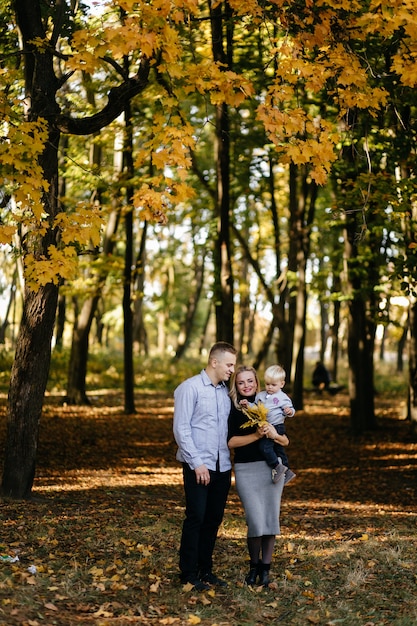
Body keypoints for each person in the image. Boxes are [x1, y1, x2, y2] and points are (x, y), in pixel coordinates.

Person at [173, 341, 237, 591]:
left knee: (213, 519)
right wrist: (197, 463)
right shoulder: (189, 388)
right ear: (214, 362)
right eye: (229, 364)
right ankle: (188, 573)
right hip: (198, 465)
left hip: (222, 465)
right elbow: (181, 429)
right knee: (196, 517)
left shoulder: (223, 391)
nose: (232, 369)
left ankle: (205, 570)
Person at [228, 365, 289, 588]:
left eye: (250, 381)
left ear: (257, 383)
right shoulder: (233, 409)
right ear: (235, 384)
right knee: (255, 521)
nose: (246, 386)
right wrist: (256, 435)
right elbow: (231, 442)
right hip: (245, 469)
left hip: (271, 468)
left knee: (270, 519)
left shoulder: (268, 402)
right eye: (241, 382)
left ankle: (265, 569)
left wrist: (274, 434)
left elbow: (285, 442)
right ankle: (253, 566)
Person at [252, 365, 296, 485]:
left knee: (265, 447)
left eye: (273, 385)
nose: (270, 387)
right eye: (267, 384)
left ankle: (277, 467)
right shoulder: (260, 395)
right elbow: (255, 408)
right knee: (279, 450)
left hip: (277, 425)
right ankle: (287, 472)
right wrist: (247, 405)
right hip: (266, 424)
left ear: (281, 384)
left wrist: (289, 411)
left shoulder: (282, 398)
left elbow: (291, 410)